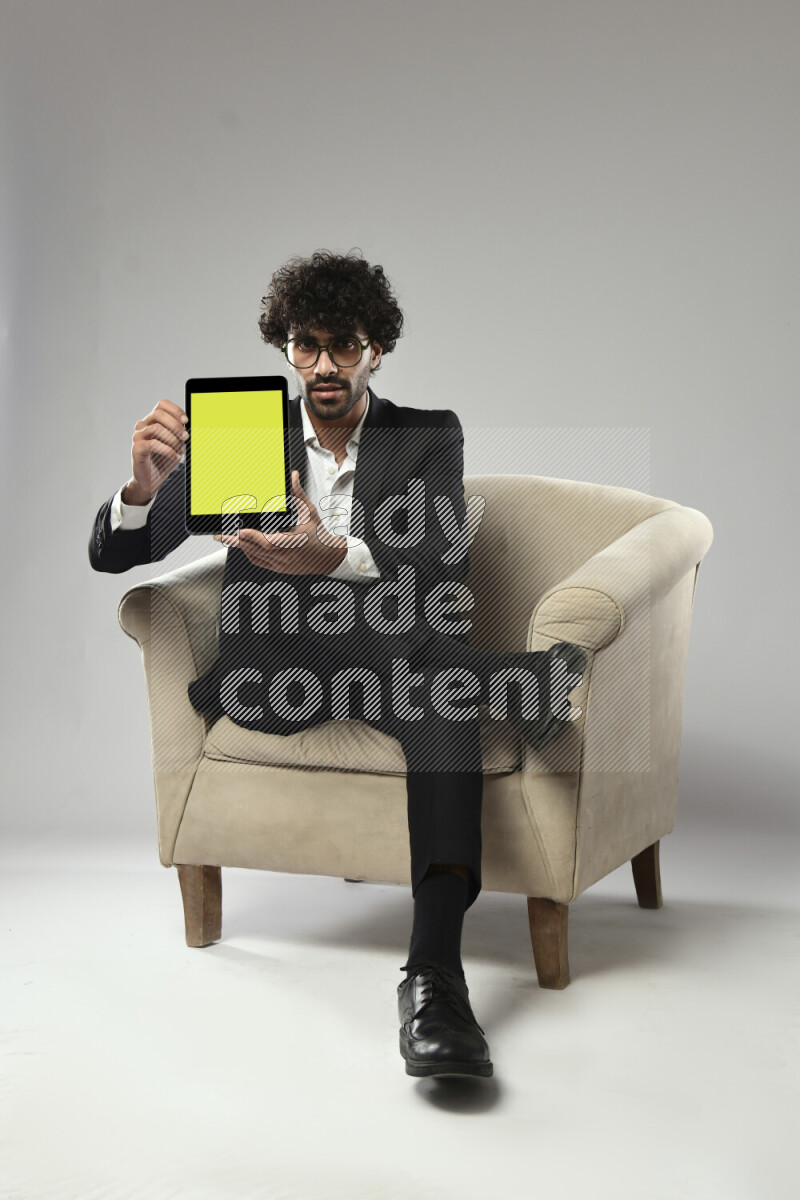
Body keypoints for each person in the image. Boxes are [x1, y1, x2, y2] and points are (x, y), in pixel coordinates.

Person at [89, 250, 586, 1080]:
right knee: (361, 634)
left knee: (441, 703)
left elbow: (435, 569)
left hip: (387, 669)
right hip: (270, 672)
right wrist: (140, 489)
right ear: (285, 348)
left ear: (377, 347)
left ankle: (434, 977)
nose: (325, 366)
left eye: (344, 346)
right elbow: (122, 553)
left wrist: (337, 555)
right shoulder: (247, 437)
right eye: (306, 345)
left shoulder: (426, 435)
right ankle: (512, 680)